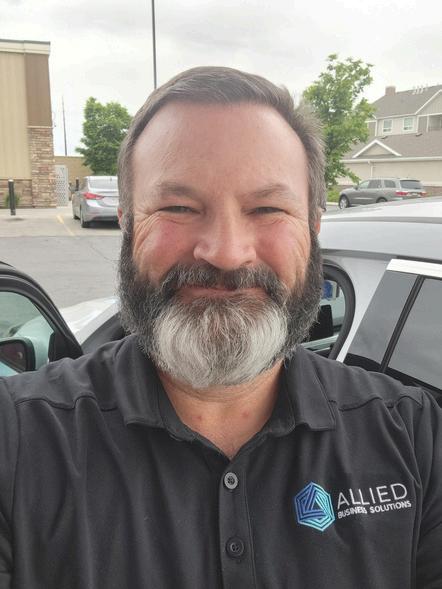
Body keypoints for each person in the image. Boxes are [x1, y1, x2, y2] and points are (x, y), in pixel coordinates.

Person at [0, 67, 441, 589]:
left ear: (314, 226)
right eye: (179, 207)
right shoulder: (16, 441)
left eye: (267, 208)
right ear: (127, 222)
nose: (227, 253)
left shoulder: (416, 437)